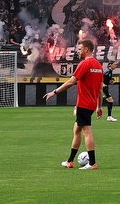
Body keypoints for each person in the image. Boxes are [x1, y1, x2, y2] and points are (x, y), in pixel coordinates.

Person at [43, 39, 104, 169]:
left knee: (87, 132)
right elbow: (100, 89)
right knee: (76, 129)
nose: (78, 51)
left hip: (84, 103)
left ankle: (92, 163)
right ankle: (70, 161)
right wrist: (99, 106)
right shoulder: (98, 66)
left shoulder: (85, 64)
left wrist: (54, 92)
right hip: (91, 104)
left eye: (80, 49)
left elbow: (71, 82)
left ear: (86, 49)